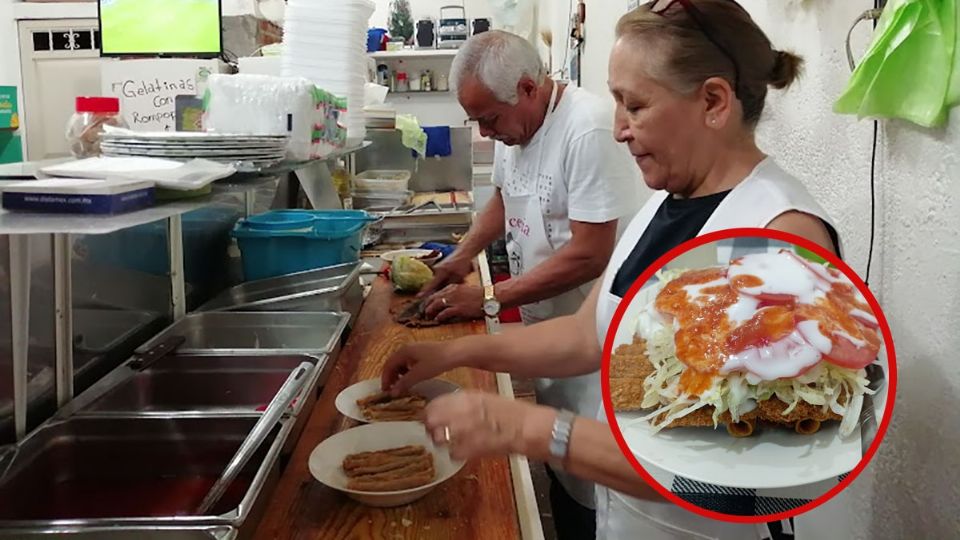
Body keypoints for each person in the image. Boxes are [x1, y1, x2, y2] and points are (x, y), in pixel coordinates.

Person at [383, 1, 846, 538]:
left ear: (714, 101)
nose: (620, 128)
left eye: (635, 105)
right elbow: (589, 334)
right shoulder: (665, 204)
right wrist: (452, 353)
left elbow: (738, 465)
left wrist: (528, 428)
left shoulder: (782, 237)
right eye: (616, 102)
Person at [415, 30, 641, 537]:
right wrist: (463, 256)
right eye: (477, 122)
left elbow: (590, 252)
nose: (486, 133)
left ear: (526, 88)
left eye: (489, 120)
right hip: (548, 338)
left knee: (595, 485)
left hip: (595, 347)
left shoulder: (586, 129)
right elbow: (504, 198)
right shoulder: (515, 129)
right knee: (561, 471)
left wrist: (489, 297)